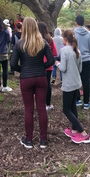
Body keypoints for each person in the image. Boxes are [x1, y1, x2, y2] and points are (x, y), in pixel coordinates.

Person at [10, 17, 55, 149]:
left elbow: (12, 64)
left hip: (26, 78)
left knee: (28, 109)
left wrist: (22, 69)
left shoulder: (19, 44)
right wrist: (42, 66)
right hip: (41, 77)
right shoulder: (43, 42)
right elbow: (52, 60)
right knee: (41, 108)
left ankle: (28, 139)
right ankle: (43, 140)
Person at [55, 30, 90, 144]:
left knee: (66, 109)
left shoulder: (64, 50)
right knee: (73, 107)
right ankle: (74, 130)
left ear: (65, 39)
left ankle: (83, 133)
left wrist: (57, 64)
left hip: (68, 84)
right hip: (76, 83)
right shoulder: (78, 51)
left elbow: (63, 68)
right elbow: (80, 69)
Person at [74, 15, 90, 110]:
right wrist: (88, 54)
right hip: (87, 60)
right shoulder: (89, 34)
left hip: (75, 60)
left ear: (76, 22)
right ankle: (86, 103)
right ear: (84, 23)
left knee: (75, 81)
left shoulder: (73, 33)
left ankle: (78, 100)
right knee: (86, 82)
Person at [38, 22, 57, 111]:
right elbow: (55, 53)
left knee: (38, 85)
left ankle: (40, 104)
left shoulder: (36, 40)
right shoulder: (50, 39)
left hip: (38, 65)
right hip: (48, 65)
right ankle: (48, 104)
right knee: (47, 84)